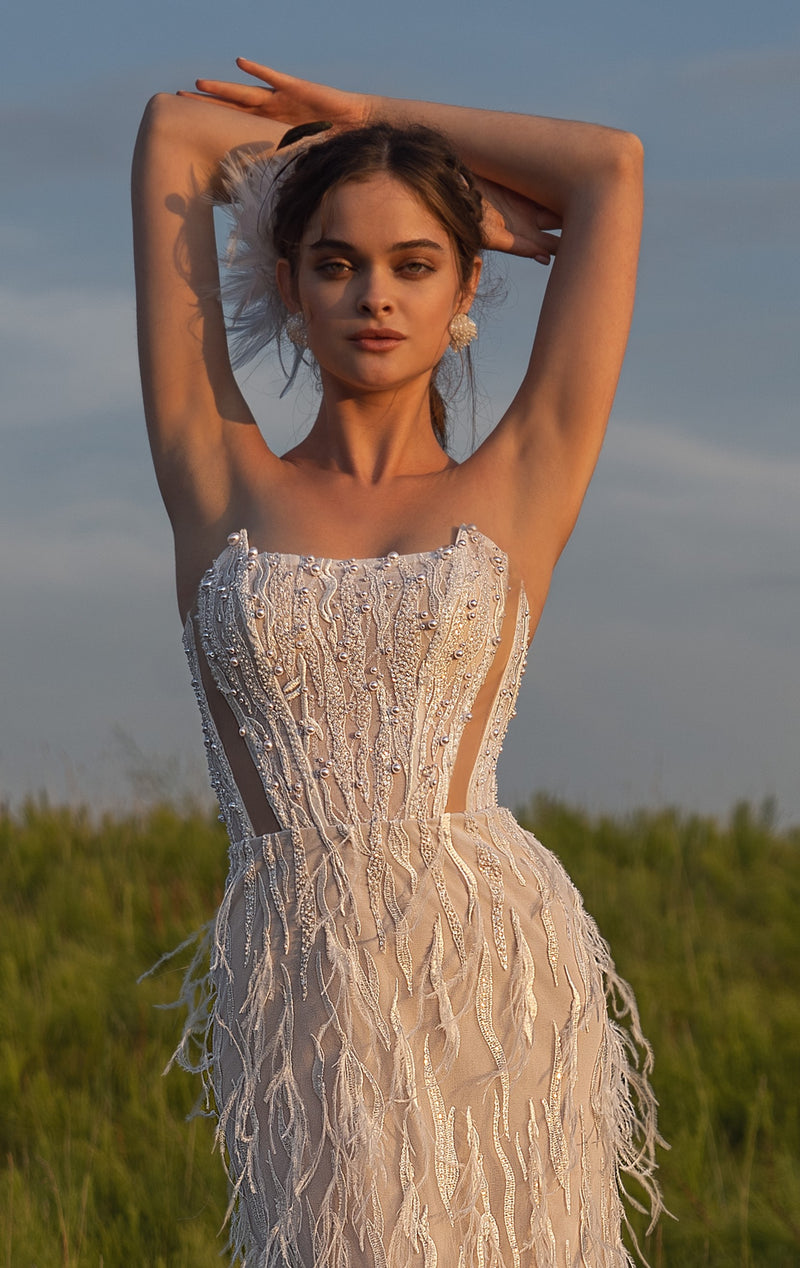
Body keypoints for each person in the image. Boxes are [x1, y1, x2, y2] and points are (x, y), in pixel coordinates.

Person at [132, 60, 662, 1268]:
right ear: (288, 280)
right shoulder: (218, 476)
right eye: (337, 262)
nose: (374, 294)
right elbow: (174, 137)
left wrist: (382, 129)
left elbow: (607, 169)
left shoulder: (521, 474)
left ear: (467, 282)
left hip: (485, 959)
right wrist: (371, 160)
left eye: (415, 262)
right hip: (301, 963)